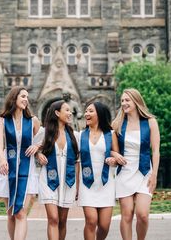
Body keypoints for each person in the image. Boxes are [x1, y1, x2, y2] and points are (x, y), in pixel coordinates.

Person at [0, 86, 41, 240]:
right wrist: (2, 160)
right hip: (8, 169)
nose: (26, 99)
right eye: (23, 96)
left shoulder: (33, 121)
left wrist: (37, 146)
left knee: (20, 212)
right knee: (11, 214)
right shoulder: (2, 121)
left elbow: (44, 138)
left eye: (27, 96)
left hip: (27, 170)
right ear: (14, 98)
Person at [112, 88, 160, 240]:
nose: (124, 103)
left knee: (143, 215)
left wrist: (154, 174)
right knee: (126, 215)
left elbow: (156, 151)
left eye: (127, 100)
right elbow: (110, 149)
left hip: (145, 171)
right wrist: (114, 154)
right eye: (122, 101)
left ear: (136, 101)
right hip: (124, 173)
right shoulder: (117, 124)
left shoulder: (151, 122)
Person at [36, 100, 79, 240]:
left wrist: (77, 186)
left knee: (62, 220)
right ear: (57, 113)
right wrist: (38, 154)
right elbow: (31, 148)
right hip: (48, 179)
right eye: (66, 110)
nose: (70, 113)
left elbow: (77, 161)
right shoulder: (44, 132)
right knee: (53, 219)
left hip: (67, 180)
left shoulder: (74, 135)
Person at [78, 101, 119, 240]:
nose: (86, 114)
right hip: (87, 184)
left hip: (106, 183)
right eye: (86, 111)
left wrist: (113, 160)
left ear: (99, 114)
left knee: (104, 226)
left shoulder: (110, 134)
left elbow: (116, 155)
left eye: (90, 111)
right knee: (91, 221)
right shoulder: (80, 135)